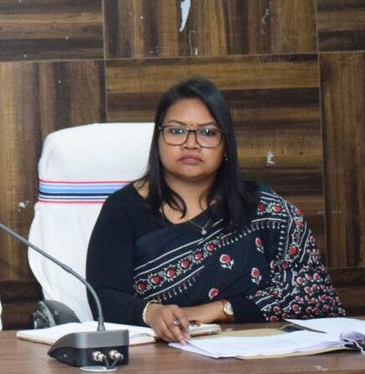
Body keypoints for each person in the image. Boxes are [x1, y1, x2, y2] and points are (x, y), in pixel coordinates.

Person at [85, 77, 343, 342]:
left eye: (207, 133)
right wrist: (151, 313)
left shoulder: (262, 206)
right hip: (159, 354)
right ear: (158, 139)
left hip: (258, 350)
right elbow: (103, 298)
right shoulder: (123, 209)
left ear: (226, 144)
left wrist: (221, 309)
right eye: (176, 131)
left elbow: (315, 295)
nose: (191, 143)